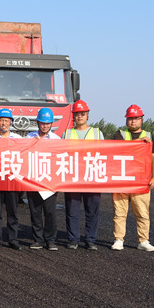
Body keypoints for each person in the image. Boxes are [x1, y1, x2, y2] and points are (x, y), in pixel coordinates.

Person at [111, 104, 154, 252]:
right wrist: (139, 142)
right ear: (126, 120)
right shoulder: (119, 134)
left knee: (142, 213)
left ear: (141, 119)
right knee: (119, 212)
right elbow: (121, 149)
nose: (133, 121)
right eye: (130, 118)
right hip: (121, 180)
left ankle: (143, 241)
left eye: (136, 118)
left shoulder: (150, 136)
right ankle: (118, 239)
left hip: (141, 181)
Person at [62, 99, 104, 250]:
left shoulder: (97, 133)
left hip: (92, 176)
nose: (79, 116)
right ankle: (73, 239)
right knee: (72, 210)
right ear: (73, 116)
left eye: (82, 114)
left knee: (92, 210)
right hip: (72, 177)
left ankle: (90, 239)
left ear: (87, 115)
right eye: (77, 114)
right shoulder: (67, 133)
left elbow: (106, 153)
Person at [0, 108, 23, 250]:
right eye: (1, 120)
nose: (4, 123)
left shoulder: (18, 139)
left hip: (12, 180)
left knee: (12, 211)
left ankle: (13, 239)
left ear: (11, 122)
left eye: (6, 121)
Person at [26, 108, 60, 251]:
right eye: (42, 123)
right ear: (38, 123)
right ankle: (37, 240)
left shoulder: (57, 140)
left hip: (49, 182)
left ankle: (50, 240)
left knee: (50, 212)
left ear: (51, 124)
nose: (45, 126)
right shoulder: (29, 137)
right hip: (33, 180)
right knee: (35, 212)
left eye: (47, 123)